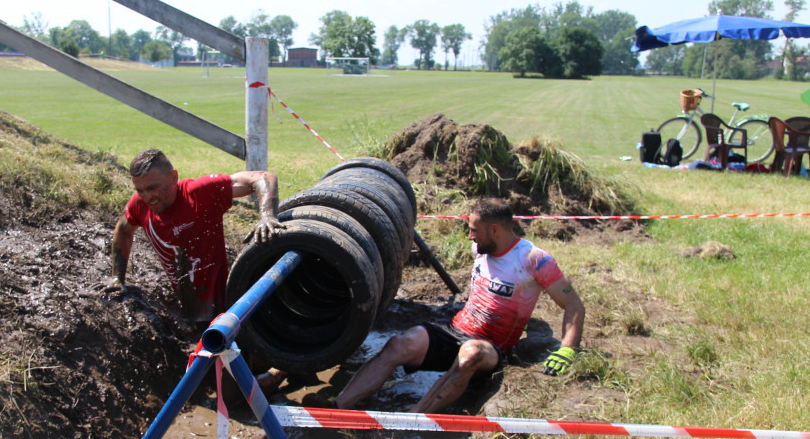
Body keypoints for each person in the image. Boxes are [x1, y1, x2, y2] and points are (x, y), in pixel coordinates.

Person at [331, 197, 585, 414]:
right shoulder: (480, 249)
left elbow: (573, 304)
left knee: (471, 353)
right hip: (456, 331)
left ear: (495, 230)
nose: (470, 236)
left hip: (490, 347)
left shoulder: (535, 260)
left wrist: (568, 349)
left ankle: (412, 421)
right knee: (399, 343)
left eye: (474, 230)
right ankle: (337, 407)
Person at [111, 148, 282, 325]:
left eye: (153, 188)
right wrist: (118, 278)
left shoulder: (199, 193)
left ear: (173, 177)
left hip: (226, 303)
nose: (147, 197)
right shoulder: (139, 205)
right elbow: (123, 230)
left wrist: (267, 216)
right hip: (188, 305)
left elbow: (263, 177)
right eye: (140, 190)